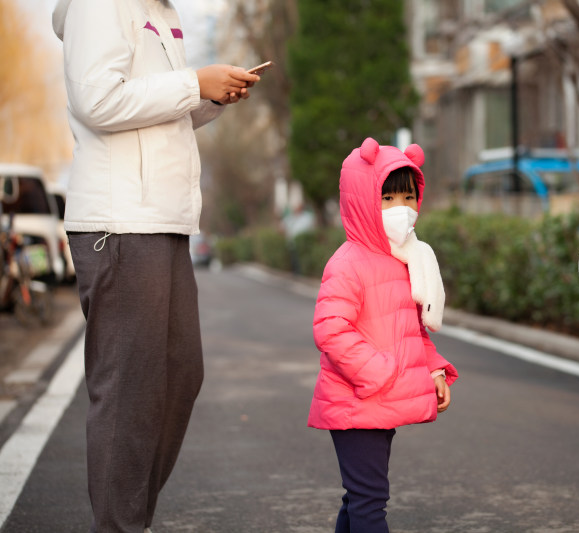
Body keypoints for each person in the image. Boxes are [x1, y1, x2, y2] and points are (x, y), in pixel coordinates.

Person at [51, 1, 261, 531]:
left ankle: (129, 520)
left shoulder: (162, 14)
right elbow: (97, 99)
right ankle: (120, 525)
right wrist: (194, 82)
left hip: (163, 220)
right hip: (120, 223)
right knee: (131, 389)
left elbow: (157, 110)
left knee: (179, 376)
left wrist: (214, 96)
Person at [308, 137, 458, 532]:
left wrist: (434, 371)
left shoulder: (403, 258)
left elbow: (412, 331)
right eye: (387, 199)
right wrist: (379, 373)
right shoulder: (350, 263)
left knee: (361, 497)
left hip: (376, 401)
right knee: (370, 502)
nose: (401, 210)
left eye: (408, 198)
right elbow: (330, 328)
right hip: (357, 399)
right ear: (362, 200)